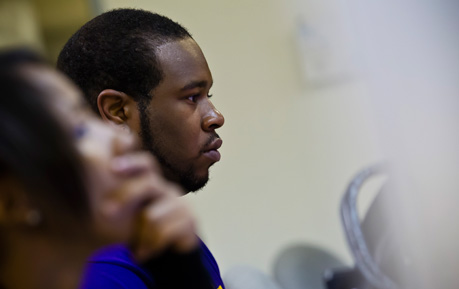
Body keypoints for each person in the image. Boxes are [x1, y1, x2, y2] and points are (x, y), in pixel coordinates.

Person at [0, 48, 203, 289]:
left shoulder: (172, 248)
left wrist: (182, 271)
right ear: (13, 200)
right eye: (79, 131)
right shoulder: (112, 274)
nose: (124, 140)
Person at [57, 8, 225, 289]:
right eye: (192, 97)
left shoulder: (166, 234)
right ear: (118, 112)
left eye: (208, 95)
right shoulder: (103, 271)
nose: (215, 116)